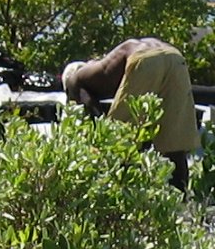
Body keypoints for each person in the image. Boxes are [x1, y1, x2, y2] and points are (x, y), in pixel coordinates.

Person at [62, 37, 203, 188]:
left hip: (144, 59)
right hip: (175, 57)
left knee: (120, 143)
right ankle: (180, 203)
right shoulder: (107, 68)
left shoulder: (75, 79)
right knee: (174, 146)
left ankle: (121, 200)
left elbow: (95, 117)